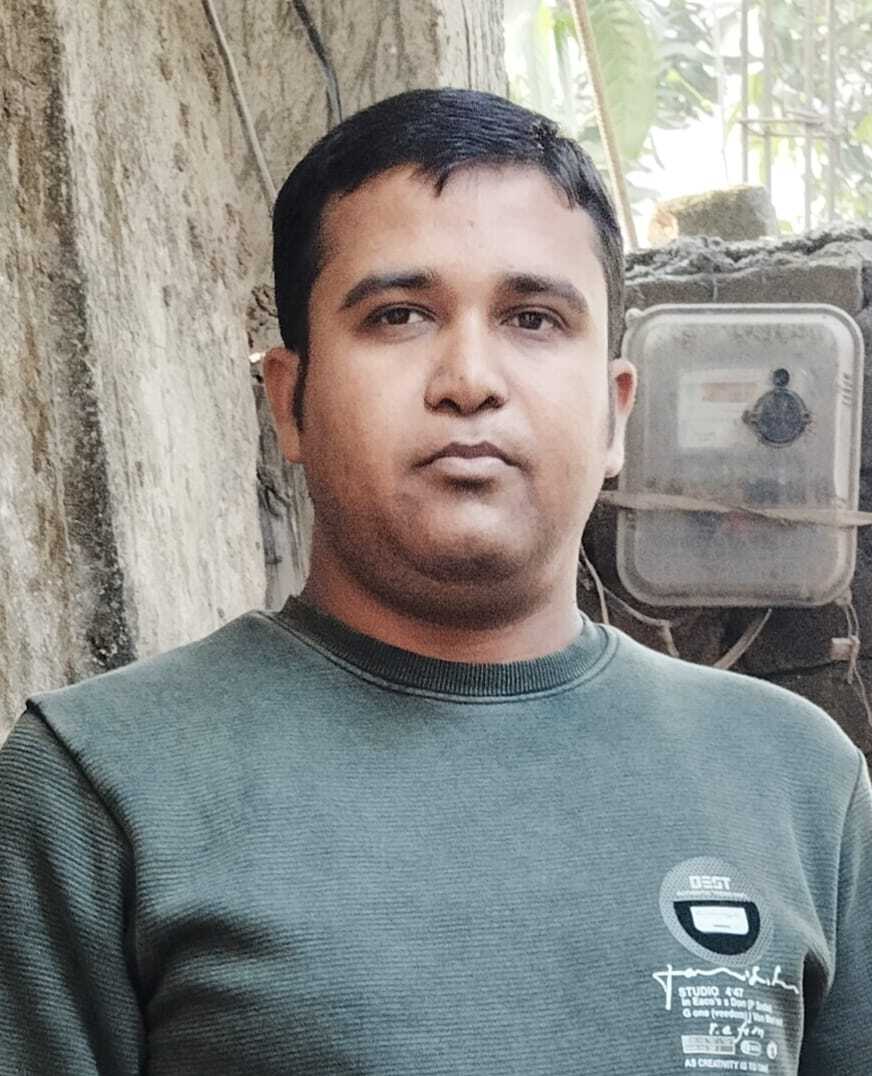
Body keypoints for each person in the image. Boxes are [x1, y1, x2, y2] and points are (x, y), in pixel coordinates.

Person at [0, 88, 869, 1076]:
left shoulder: (799, 783)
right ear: (289, 401)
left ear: (616, 411)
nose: (468, 379)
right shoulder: (98, 786)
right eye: (398, 314)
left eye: (533, 317)